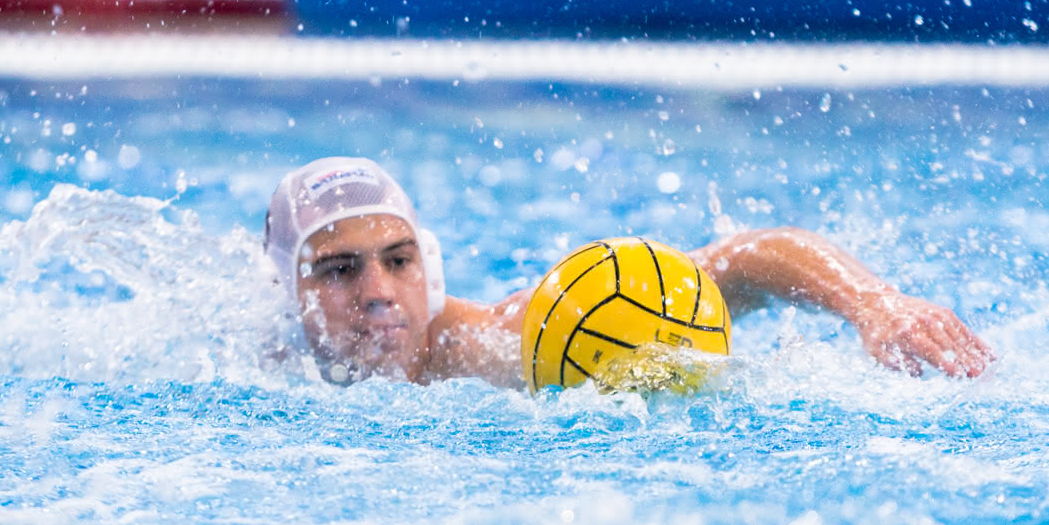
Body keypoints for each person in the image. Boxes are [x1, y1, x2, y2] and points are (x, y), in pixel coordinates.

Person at [265, 156, 993, 388]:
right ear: (285, 290)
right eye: (338, 270)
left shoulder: (506, 342)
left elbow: (746, 258)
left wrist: (873, 302)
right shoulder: (253, 361)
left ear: (430, 264)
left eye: (399, 261)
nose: (379, 294)